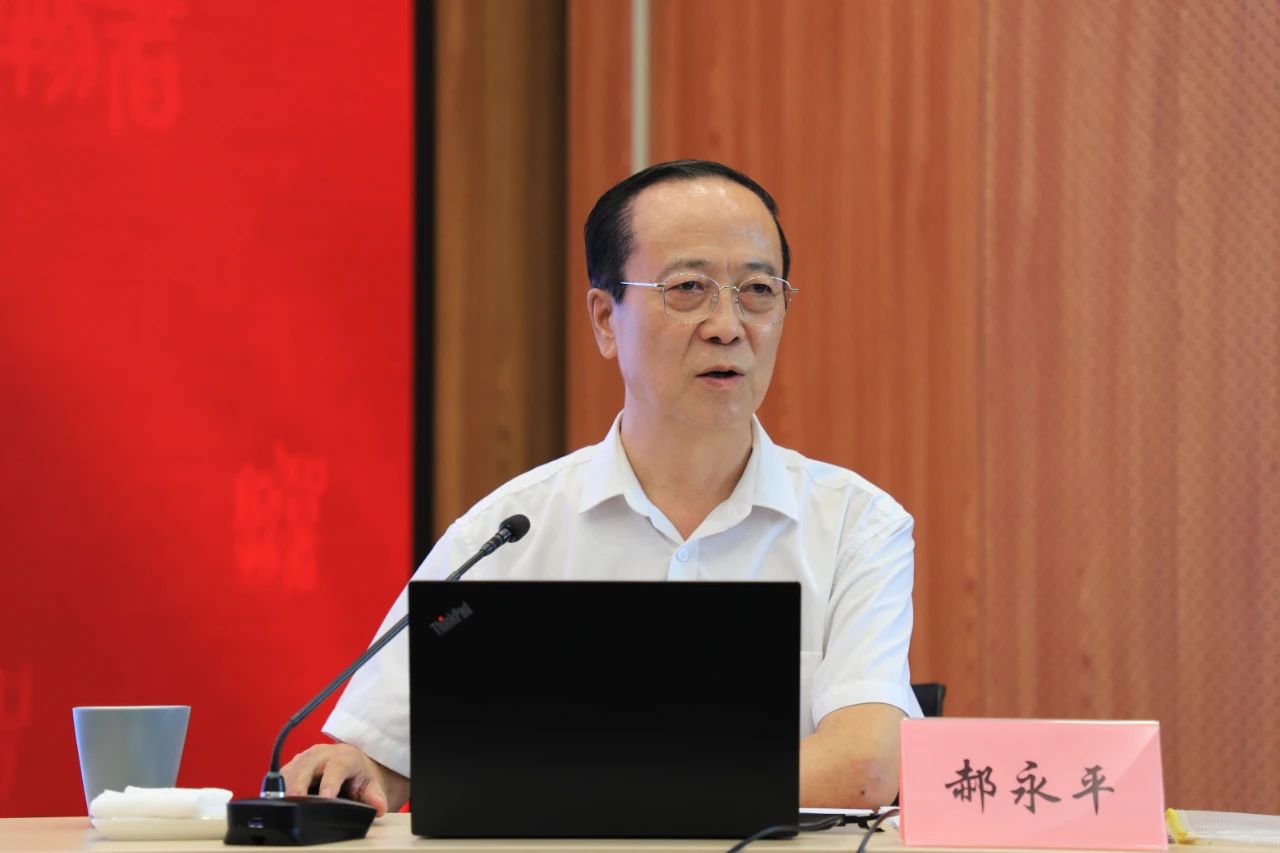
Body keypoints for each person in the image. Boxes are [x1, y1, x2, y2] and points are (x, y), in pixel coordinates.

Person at [282, 159, 922, 814]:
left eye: (758, 290)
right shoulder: (508, 533)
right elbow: (387, 757)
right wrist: (355, 765)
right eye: (689, 288)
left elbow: (864, 767)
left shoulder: (855, 527)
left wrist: (593, 780)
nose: (728, 325)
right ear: (604, 319)